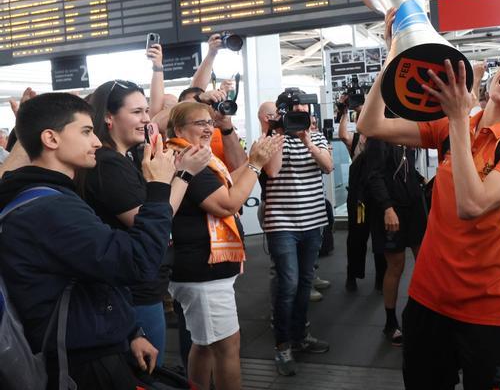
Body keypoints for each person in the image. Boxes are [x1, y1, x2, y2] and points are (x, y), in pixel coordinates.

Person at [357, 8, 500, 389]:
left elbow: (472, 205)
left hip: (490, 310)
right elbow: (370, 125)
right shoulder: (454, 124)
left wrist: (462, 118)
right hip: (429, 299)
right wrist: (394, 54)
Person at [0, 92, 176, 389]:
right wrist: (158, 189)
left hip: (87, 346)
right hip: (82, 363)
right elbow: (137, 262)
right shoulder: (50, 208)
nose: (96, 141)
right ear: (51, 139)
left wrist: (130, 332)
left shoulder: (45, 198)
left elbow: (90, 273)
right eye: (86, 131)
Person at [83, 78, 211, 367]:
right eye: (137, 112)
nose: (146, 119)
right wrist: (185, 174)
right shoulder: (108, 163)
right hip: (134, 291)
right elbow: (153, 220)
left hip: (140, 285)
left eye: (146, 111)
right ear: (108, 117)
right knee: (146, 374)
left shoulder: (125, 158)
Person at [164, 102, 282, 390]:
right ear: (179, 129)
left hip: (203, 270)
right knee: (227, 347)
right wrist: (255, 163)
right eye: (199, 123)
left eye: (209, 122)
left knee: (203, 344)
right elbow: (228, 203)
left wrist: (255, 159)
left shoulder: (199, 159)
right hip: (203, 272)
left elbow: (227, 186)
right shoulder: (189, 161)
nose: (207, 128)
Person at [261, 90, 334, 376]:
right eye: (296, 107)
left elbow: (327, 166)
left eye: (305, 106)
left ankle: (301, 336)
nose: (302, 111)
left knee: (304, 282)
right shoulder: (272, 139)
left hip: (313, 221)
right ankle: (282, 346)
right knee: (288, 283)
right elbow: (274, 172)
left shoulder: (315, 137)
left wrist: (307, 140)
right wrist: (277, 133)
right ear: (283, 111)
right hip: (282, 224)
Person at [361, 135, 427, 346]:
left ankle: (423, 319)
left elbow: (404, 167)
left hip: (414, 207)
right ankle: (390, 323)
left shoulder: (406, 131)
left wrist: (419, 178)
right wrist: (387, 208)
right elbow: (374, 175)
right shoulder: (379, 135)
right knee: (396, 266)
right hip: (391, 208)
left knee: (426, 265)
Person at [338, 93, 387, 292]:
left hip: (378, 198)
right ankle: (352, 276)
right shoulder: (356, 139)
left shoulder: (383, 138)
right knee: (356, 239)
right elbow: (343, 135)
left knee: (380, 240)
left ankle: (381, 279)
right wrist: (343, 113)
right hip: (359, 200)